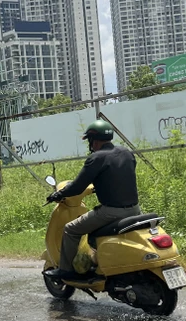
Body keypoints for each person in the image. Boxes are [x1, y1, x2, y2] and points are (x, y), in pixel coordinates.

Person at [44, 120, 140, 281]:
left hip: (111, 212)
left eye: (89, 140)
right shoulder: (126, 152)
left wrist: (58, 194)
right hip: (135, 209)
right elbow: (119, 176)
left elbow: (77, 187)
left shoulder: (97, 158)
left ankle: (65, 270)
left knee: (71, 229)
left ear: (93, 141)